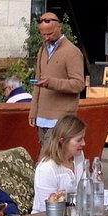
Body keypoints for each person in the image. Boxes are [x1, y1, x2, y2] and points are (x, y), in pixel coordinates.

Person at [28, 12, 85, 143]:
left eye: (50, 34)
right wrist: (33, 111)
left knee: (54, 159)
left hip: (61, 119)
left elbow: (78, 84)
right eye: (43, 34)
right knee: (47, 158)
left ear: (59, 27)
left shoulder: (72, 52)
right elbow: (37, 82)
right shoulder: (42, 50)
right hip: (42, 118)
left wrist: (52, 83)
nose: (46, 38)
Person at [32, 115, 86, 213]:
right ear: (62, 141)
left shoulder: (79, 157)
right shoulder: (47, 168)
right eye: (79, 140)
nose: (83, 143)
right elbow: (46, 209)